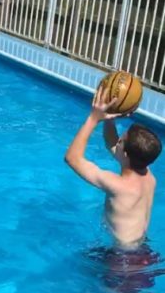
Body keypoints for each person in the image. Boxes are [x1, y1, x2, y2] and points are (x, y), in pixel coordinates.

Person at [65, 84, 162, 251]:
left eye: (121, 141)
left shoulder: (117, 185)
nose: (117, 141)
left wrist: (93, 118)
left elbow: (72, 158)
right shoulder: (148, 176)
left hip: (122, 260)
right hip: (144, 250)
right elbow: (111, 141)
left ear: (125, 154)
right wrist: (109, 117)